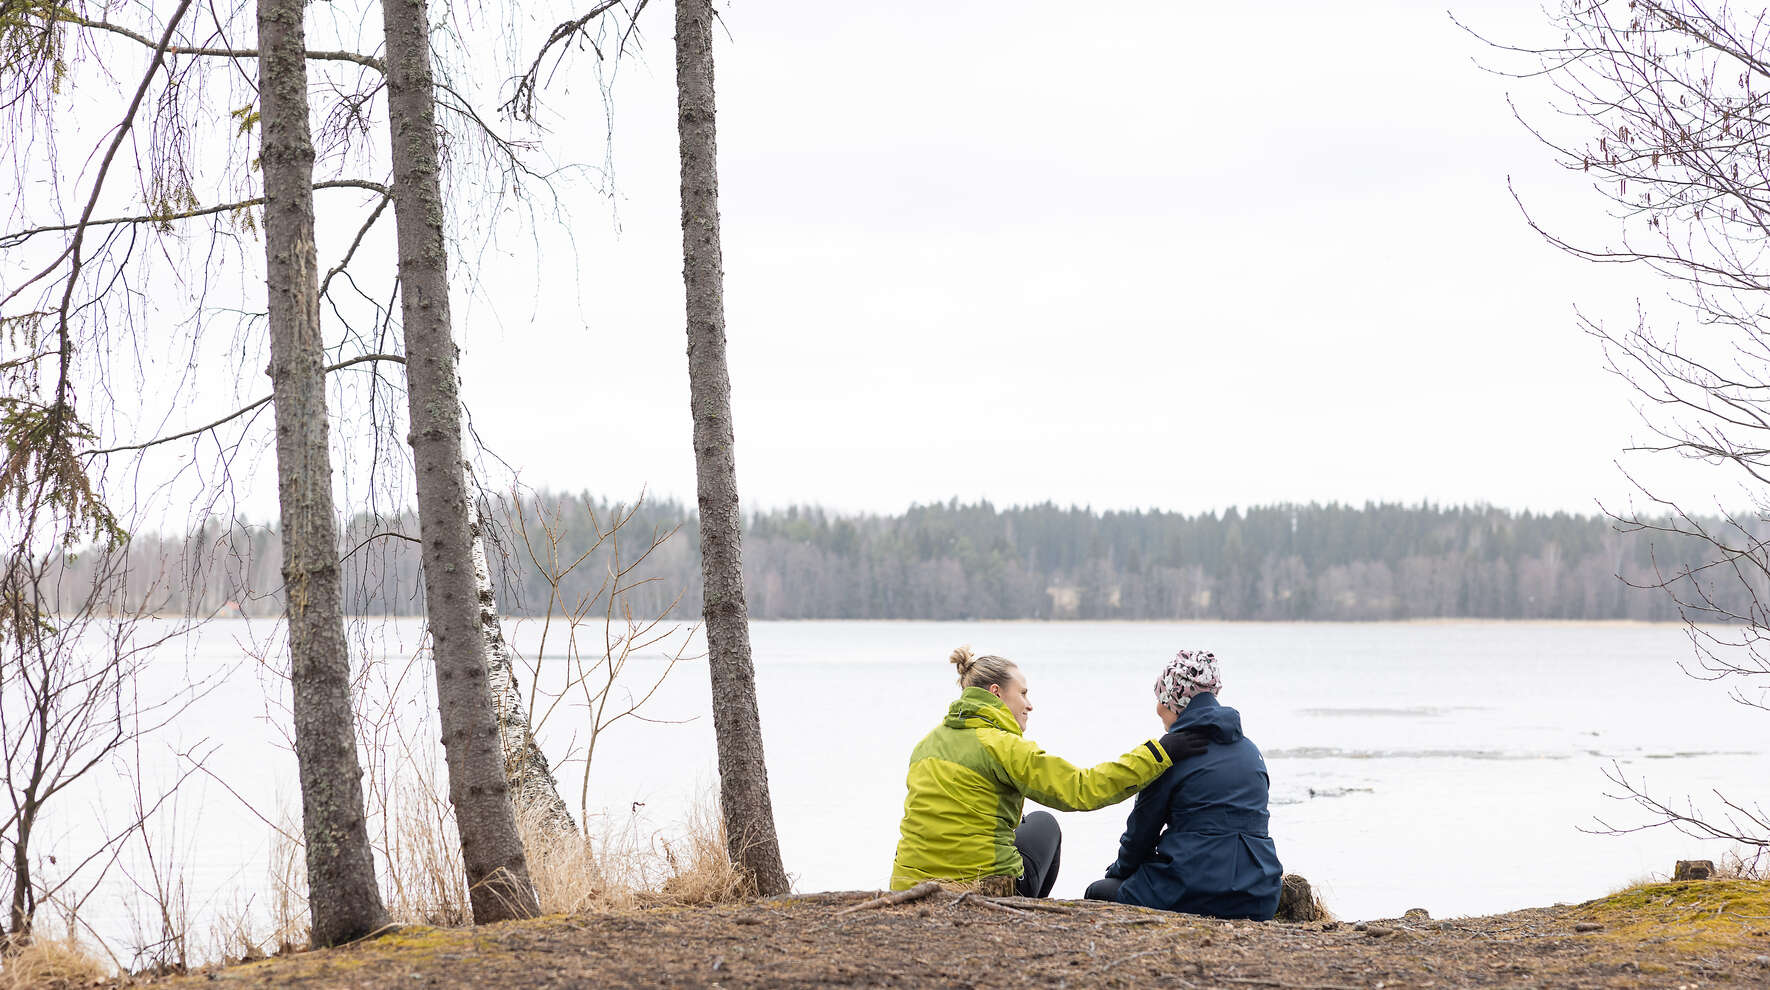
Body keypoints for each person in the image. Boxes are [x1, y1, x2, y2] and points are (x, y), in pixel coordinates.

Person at [889, 646, 1208, 896]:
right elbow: (1081, 789)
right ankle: (1017, 917)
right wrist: (1159, 753)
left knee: (1018, 824)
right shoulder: (1002, 746)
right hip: (977, 888)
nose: (1030, 705)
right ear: (997, 693)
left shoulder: (925, 745)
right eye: (1023, 693)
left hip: (907, 884)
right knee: (1043, 824)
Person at [1084, 649, 1283, 920]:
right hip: (1259, 895)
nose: (1157, 709)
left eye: (1161, 699)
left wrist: (1117, 873)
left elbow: (1140, 838)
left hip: (1193, 891)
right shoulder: (1251, 752)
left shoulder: (1172, 754)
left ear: (1176, 701)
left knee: (1098, 892)